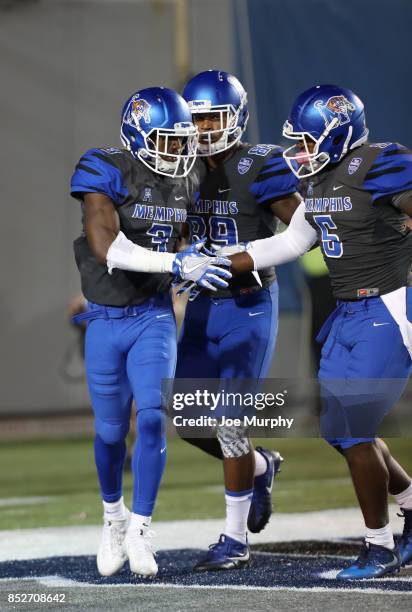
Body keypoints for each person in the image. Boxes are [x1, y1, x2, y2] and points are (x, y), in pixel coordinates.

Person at [228, 84, 412, 579]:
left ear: (340, 133)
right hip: (347, 317)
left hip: (388, 310)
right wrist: (217, 261)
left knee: (354, 431)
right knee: (340, 432)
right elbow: (289, 243)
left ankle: (379, 547)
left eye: (309, 142)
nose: (301, 152)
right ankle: (411, 504)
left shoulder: (381, 162)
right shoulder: (322, 183)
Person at [70, 86, 232, 578]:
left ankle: (141, 526)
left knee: (156, 417)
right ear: (139, 135)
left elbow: (186, 244)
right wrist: (175, 259)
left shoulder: (187, 179)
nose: (178, 151)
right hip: (104, 318)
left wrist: (193, 263)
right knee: (110, 431)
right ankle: (113, 517)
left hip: (154, 315)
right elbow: (106, 246)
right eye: (166, 141)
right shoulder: (104, 167)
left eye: (182, 141)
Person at [175, 70, 301, 571]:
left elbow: (305, 228)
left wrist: (246, 254)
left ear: (236, 118)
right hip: (205, 306)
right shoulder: (180, 164)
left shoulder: (260, 163)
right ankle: (261, 464)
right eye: (196, 119)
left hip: (248, 304)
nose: (203, 129)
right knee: (187, 419)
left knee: (229, 422)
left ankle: (234, 540)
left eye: (212, 118)